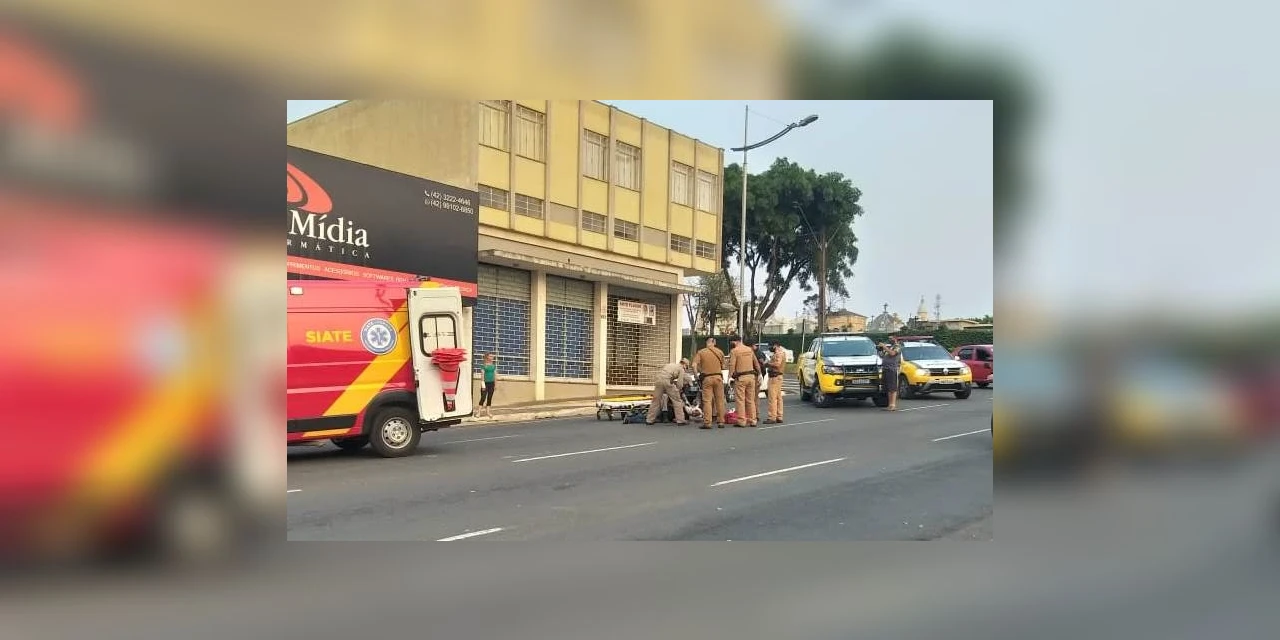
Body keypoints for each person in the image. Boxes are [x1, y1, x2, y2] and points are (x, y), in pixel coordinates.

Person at [693, 337, 727, 429]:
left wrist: (696, 375)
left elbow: (694, 365)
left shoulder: (701, 352)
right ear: (714, 342)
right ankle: (721, 421)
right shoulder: (720, 352)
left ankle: (708, 422)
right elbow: (723, 366)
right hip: (718, 377)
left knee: (707, 401)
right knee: (719, 400)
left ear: (706, 343)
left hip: (707, 378)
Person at [728, 335, 759, 427]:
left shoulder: (734, 351)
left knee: (740, 400)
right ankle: (753, 420)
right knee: (750, 400)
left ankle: (741, 421)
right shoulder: (749, 349)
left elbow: (732, 365)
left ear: (735, 341)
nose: (731, 344)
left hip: (741, 378)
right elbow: (756, 362)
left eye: (731, 342)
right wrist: (759, 374)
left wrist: (730, 376)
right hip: (751, 377)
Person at [645, 360, 688, 425]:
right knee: (677, 401)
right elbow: (680, 383)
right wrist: (678, 390)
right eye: (686, 367)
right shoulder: (681, 369)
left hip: (658, 380)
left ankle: (649, 420)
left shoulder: (670, 364)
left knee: (655, 400)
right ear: (685, 365)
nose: (685, 369)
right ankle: (680, 420)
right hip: (668, 381)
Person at [765, 342, 786, 424]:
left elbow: (777, 364)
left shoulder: (778, 353)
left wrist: (768, 364)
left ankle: (772, 417)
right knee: (778, 397)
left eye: (770, 346)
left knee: (772, 398)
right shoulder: (780, 353)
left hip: (774, 377)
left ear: (775, 345)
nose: (770, 348)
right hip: (778, 377)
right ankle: (779, 416)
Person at [879, 342, 901, 411]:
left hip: (892, 369)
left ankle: (893, 405)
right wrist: (881, 349)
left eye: (892, 337)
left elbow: (892, 353)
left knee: (893, 388)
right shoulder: (890, 347)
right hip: (885, 369)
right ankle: (890, 404)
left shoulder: (897, 346)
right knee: (888, 388)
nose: (890, 339)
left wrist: (884, 347)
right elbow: (882, 356)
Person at [478, 352, 497, 418]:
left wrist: (495, 385)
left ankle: (488, 412)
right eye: (491, 356)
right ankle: (478, 413)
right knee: (483, 397)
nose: (492, 357)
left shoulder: (493, 366)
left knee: (489, 398)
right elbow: (482, 376)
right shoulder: (484, 366)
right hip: (485, 383)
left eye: (492, 356)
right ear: (487, 357)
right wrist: (483, 385)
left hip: (491, 384)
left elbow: (495, 376)